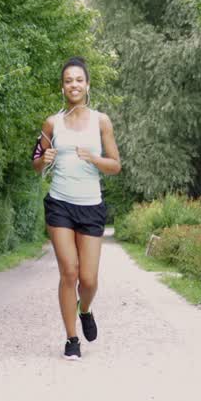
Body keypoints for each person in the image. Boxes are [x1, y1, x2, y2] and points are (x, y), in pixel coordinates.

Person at [31, 57, 121, 360]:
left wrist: (94, 159)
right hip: (60, 204)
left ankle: (86, 309)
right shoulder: (51, 123)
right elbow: (35, 160)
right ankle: (71, 339)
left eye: (78, 80)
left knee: (89, 279)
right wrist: (42, 160)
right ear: (62, 86)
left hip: (91, 205)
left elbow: (115, 166)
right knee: (69, 272)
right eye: (68, 80)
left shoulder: (101, 121)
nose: (74, 85)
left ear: (87, 85)